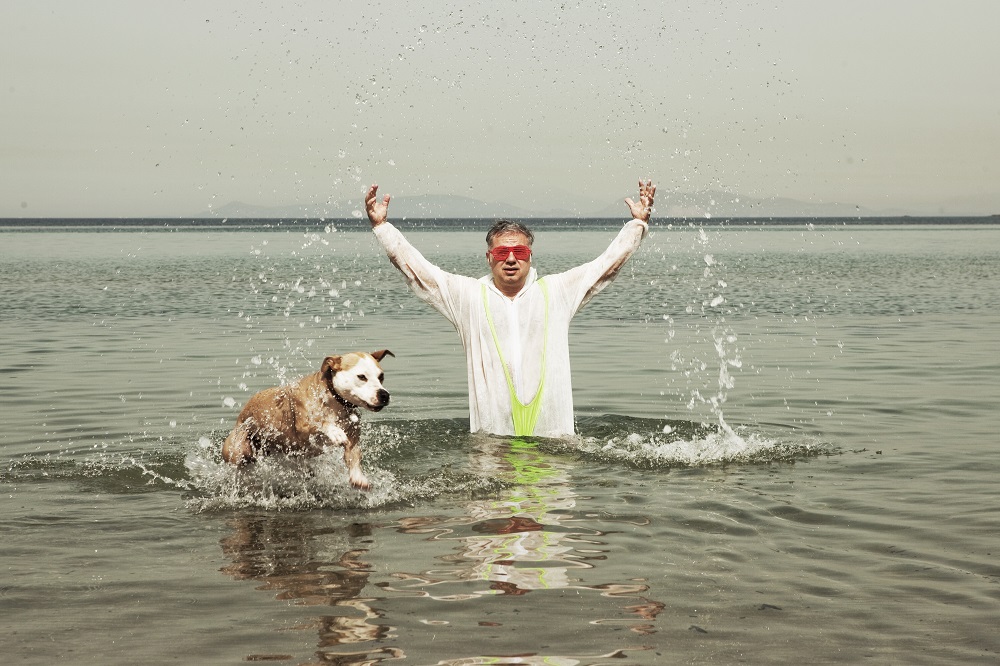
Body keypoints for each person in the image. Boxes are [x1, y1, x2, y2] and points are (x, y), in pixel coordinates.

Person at [365, 179, 655, 438]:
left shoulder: (556, 291)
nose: (512, 259)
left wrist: (637, 225)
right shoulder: (469, 297)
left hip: (553, 438)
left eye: (520, 252)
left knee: (553, 496)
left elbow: (604, 268)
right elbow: (419, 273)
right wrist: (382, 228)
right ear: (489, 257)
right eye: (503, 252)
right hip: (493, 441)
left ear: (530, 256)